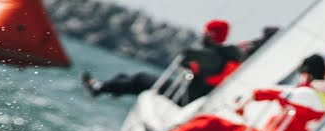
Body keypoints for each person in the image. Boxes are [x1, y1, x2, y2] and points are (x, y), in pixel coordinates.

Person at [162, 53, 325, 131]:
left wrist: (246, 102)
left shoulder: (304, 95)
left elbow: (269, 93)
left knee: (213, 124)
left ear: (305, 73)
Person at [81, 19, 244, 104]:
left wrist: (189, 62)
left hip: (184, 98)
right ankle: (104, 87)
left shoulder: (211, 55)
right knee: (129, 78)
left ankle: (100, 87)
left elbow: (187, 59)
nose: (203, 35)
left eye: (206, 32)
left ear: (211, 34)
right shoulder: (225, 56)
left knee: (140, 79)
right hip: (188, 94)